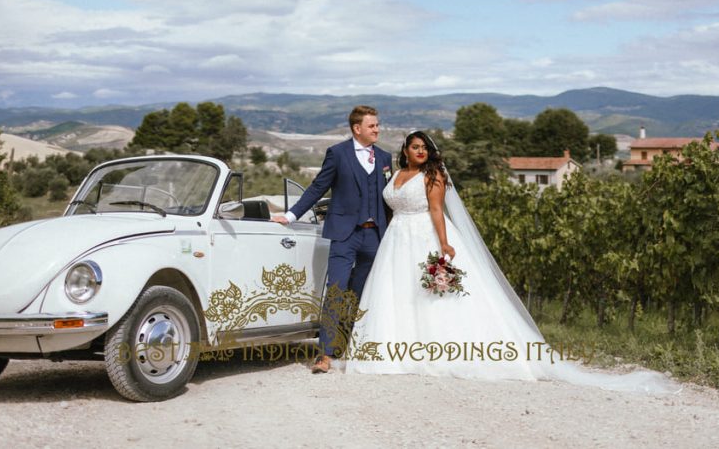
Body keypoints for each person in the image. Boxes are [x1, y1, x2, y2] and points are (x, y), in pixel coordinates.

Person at [344, 131, 678, 393]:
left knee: (434, 298)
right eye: (415, 147)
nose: (420, 151)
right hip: (396, 240)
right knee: (395, 293)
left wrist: (444, 243)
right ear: (405, 150)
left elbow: (436, 210)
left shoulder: (433, 176)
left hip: (424, 236)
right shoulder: (398, 173)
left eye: (425, 148)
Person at [272, 105, 393, 373]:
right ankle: (324, 355)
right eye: (372, 125)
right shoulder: (337, 154)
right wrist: (291, 215)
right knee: (336, 291)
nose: (377, 129)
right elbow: (318, 186)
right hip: (344, 234)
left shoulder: (385, 157)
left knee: (361, 294)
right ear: (357, 128)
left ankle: (349, 346)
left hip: (374, 237)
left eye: (377, 124)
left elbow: (388, 197)